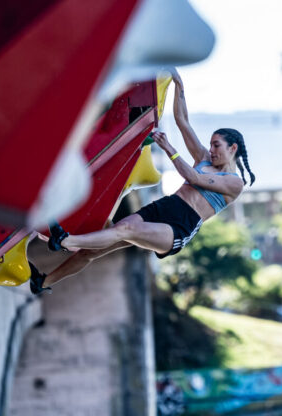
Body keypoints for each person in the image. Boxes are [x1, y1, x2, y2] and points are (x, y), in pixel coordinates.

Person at [28, 70, 255, 293]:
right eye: (211, 144)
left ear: (232, 148)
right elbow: (182, 121)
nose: (212, 150)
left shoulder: (235, 184)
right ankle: (44, 282)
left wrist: (170, 150)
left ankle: (66, 241)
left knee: (124, 229)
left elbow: (193, 177)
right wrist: (178, 84)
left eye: (217, 145)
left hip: (180, 226)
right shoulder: (204, 158)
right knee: (94, 250)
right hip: (165, 206)